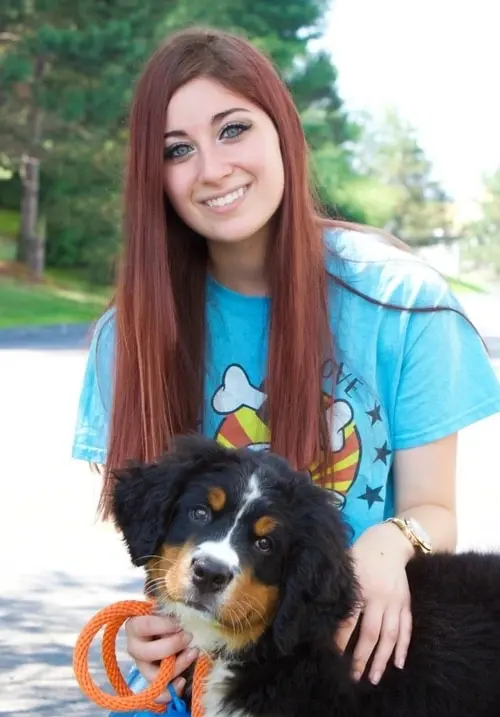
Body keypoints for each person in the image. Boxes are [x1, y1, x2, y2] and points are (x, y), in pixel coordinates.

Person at [72, 26, 500, 707]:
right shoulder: (126, 339)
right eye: (177, 149)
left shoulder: (400, 301)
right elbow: (160, 531)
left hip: (368, 660)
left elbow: (435, 507)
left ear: (283, 132)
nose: (211, 168)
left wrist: (389, 546)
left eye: (233, 128)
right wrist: (155, 623)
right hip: (222, 660)